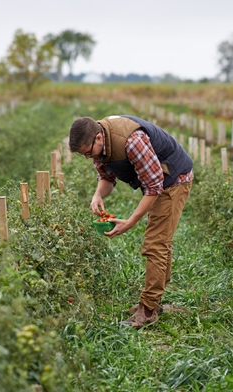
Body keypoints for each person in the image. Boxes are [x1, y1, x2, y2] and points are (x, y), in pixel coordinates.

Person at [69, 114, 193, 328]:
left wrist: (131, 221)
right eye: (84, 155)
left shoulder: (132, 141)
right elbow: (107, 178)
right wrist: (97, 194)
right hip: (158, 180)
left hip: (174, 179)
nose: (89, 158)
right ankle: (154, 301)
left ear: (98, 138)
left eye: (88, 153)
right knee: (160, 241)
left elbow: (154, 187)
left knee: (156, 243)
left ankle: (148, 310)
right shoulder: (99, 141)